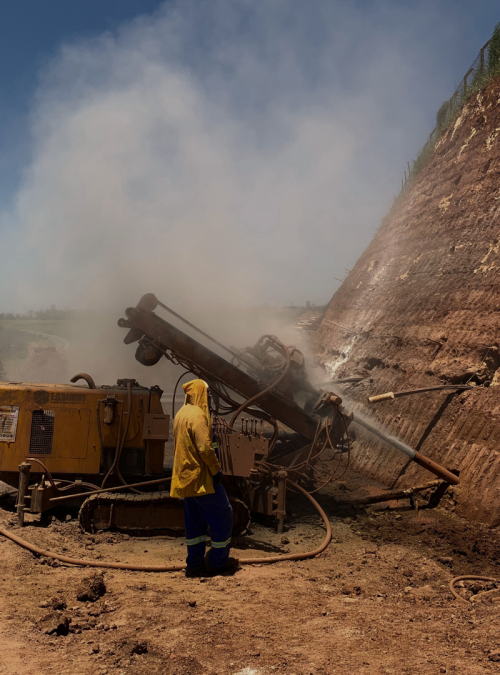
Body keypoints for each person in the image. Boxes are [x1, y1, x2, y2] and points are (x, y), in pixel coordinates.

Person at [171, 378, 236, 576]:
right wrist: (217, 471)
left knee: (195, 526)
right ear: (200, 393)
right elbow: (205, 449)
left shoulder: (181, 413)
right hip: (202, 480)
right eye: (207, 394)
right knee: (223, 515)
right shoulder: (198, 416)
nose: (208, 398)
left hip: (186, 480)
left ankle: (194, 565)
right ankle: (217, 563)